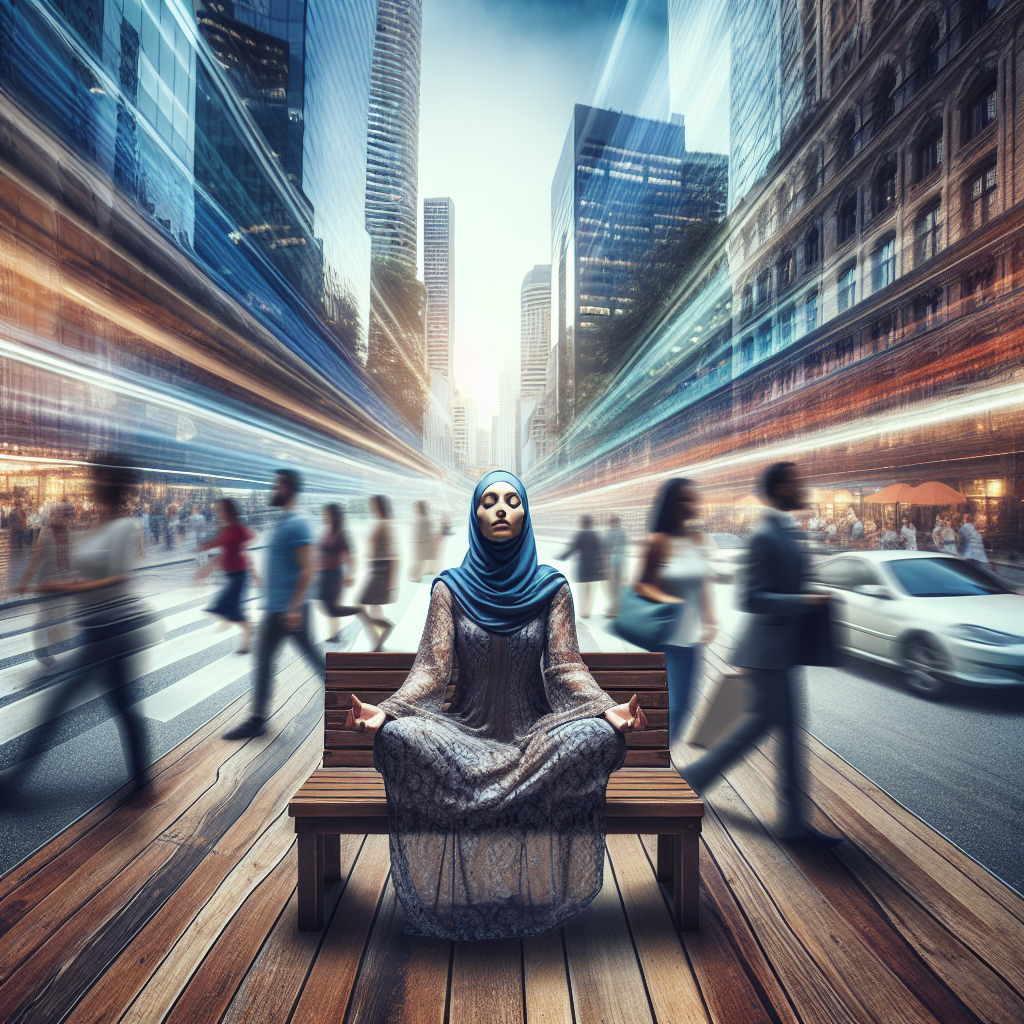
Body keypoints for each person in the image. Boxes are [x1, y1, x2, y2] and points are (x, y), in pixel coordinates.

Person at [343, 471, 646, 940]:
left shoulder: (552, 588)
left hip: (534, 738)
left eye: (511, 500)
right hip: (464, 737)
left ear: (525, 514)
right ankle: (514, 797)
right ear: (476, 516)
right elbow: (432, 670)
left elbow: (565, 666)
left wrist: (606, 709)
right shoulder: (449, 589)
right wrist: (389, 712)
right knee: (398, 736)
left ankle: (482, 799)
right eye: (489, 501)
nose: (501, 509)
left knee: (598, 737)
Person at [678, 462, 841, 846]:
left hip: (778, 654)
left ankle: (697, 781)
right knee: (769, 730)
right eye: (797, 482)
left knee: (772, 730)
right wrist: (805, 601)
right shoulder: (765, 535)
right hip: (766, 655)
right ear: (781, 488)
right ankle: (697, 782)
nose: (804, 488)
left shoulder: (785, 531)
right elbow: (750, 598)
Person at [12, 456, 155, 796]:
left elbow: (118, 577)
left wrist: (63, 586)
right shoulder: (96, 525)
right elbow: (88, 572)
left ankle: (12, 784)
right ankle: (143, 781)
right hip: (97, 628)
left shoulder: (125, 525)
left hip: (114, 628)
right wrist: (56, 582)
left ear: (114, 484)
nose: (92, 483)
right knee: (125, 706)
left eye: (99, 478)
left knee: (58, 701)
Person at [224, 469, 324, 740]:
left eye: (276, 485)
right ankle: (258, 720)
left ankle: (257, 720)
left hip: (287, 610)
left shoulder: (299, 523)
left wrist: (294, 607)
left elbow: (309, 568)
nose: (272, 490)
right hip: (279, 608)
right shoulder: (286, 522)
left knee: (272, 659)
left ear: (288, 488)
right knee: (281, 658)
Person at [634, 479, 717, 753]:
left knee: (685, 707)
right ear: (671, 505)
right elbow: (641, 586)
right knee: (675, 708)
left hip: (692, 641)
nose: (691, 503)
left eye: (692, 498)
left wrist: (710, 618)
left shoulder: (698, 541)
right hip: (666, 640)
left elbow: (703, 583)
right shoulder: (658, 542)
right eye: (684, 499)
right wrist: (669, 599)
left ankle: (654, 755)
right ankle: (650, 760)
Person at [15, 502, 73, 669]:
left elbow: (72, 558)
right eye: (57, 514)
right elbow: (36, 559)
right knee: (44, 619)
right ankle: (42, 652)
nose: (60, 517)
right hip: (47, 584)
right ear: (52, 516)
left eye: (63, 514)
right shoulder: (46, 533)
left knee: (61, 617)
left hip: (64, 584)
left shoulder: (69, 533)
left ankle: (59, 646)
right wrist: (25, 581)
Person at [199, 498, 256, 654]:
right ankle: (242, 632)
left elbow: (251, 538)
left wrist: (253, 572)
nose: (219, 512)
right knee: (226, 609)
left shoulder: (237, 528)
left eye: (221, 509)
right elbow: (218, 543)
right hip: (231, 575)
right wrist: (204, 548)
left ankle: (245, 639)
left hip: (239, 576)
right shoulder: (225, 529)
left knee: (227, 609)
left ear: (229, 511)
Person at [351, 495, 399, 651]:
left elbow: (394, 554)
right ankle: (377, 643)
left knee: (358, 605)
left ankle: (386, 627)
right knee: (373, 607)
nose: (372, 508)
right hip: (374, 568)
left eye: (374, 505)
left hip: (381, 570)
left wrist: (391, 580)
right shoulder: (378, 522)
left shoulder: (385, 524)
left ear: (381, 506)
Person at [317, 503, 354, 642]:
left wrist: (349, 574)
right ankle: (334, 633)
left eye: (327, 513)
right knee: (325, 604)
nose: (324, 516)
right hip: (324, 574)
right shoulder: (327, 532)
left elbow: (349, 556)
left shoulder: (340, 534)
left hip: (334, 575)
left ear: (333, 515)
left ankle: (334, 634)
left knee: (332, 605)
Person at [557, 515, 605, 618]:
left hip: (582, 569)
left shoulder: (579, 535)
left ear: (582, 523)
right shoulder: (596, 535)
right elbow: (602, 552)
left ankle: (583, 613)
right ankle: (588, 612)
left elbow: (571, 549)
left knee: (582, 592)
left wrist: (560, 557)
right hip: (595, 569)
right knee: (591, 593)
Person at [602, 516, 630, 617]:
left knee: (612, 588)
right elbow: (626, 549)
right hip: (621, 563)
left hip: (611, 565)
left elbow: (604, 550)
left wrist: (605, 566)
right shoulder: (623, 533)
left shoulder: (608, 534)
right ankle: (619, 608)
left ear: (610, 523)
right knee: (619, 587)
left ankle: (612, 610)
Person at [408, 501, 435, 582]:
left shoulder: (420, 521)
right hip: (426, 550)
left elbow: (418, 538)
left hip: (421, 551)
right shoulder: (427, 520)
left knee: (419, 570)